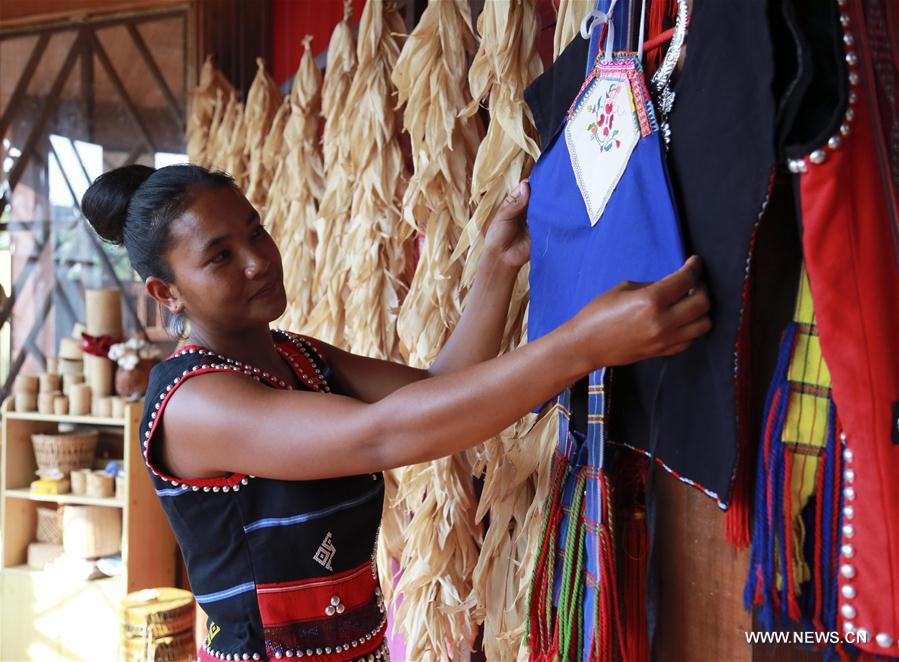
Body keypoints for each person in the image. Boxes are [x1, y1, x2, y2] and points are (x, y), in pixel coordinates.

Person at [82, 164, 710, 662]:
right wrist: (582, 346)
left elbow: (438, 390)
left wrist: (496, 265)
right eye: (219, 256)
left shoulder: (298, 358)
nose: (258, 260)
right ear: (166, 292)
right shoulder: (194, 403)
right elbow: (382, 435)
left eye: (255, 232)